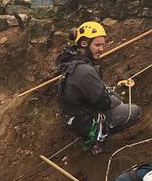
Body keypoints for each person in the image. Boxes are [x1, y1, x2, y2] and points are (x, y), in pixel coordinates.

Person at [55, 21, 142, 153]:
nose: (101, 49)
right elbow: (103, 103)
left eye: (103, 45)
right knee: (134, 111)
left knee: (116, 99)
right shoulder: (84, 71)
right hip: (82, 121)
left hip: (73, 115)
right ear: (84, 44)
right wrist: (114, 100)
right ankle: (97, 140)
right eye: (97, 45)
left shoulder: (72, 59)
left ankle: (93, 134)